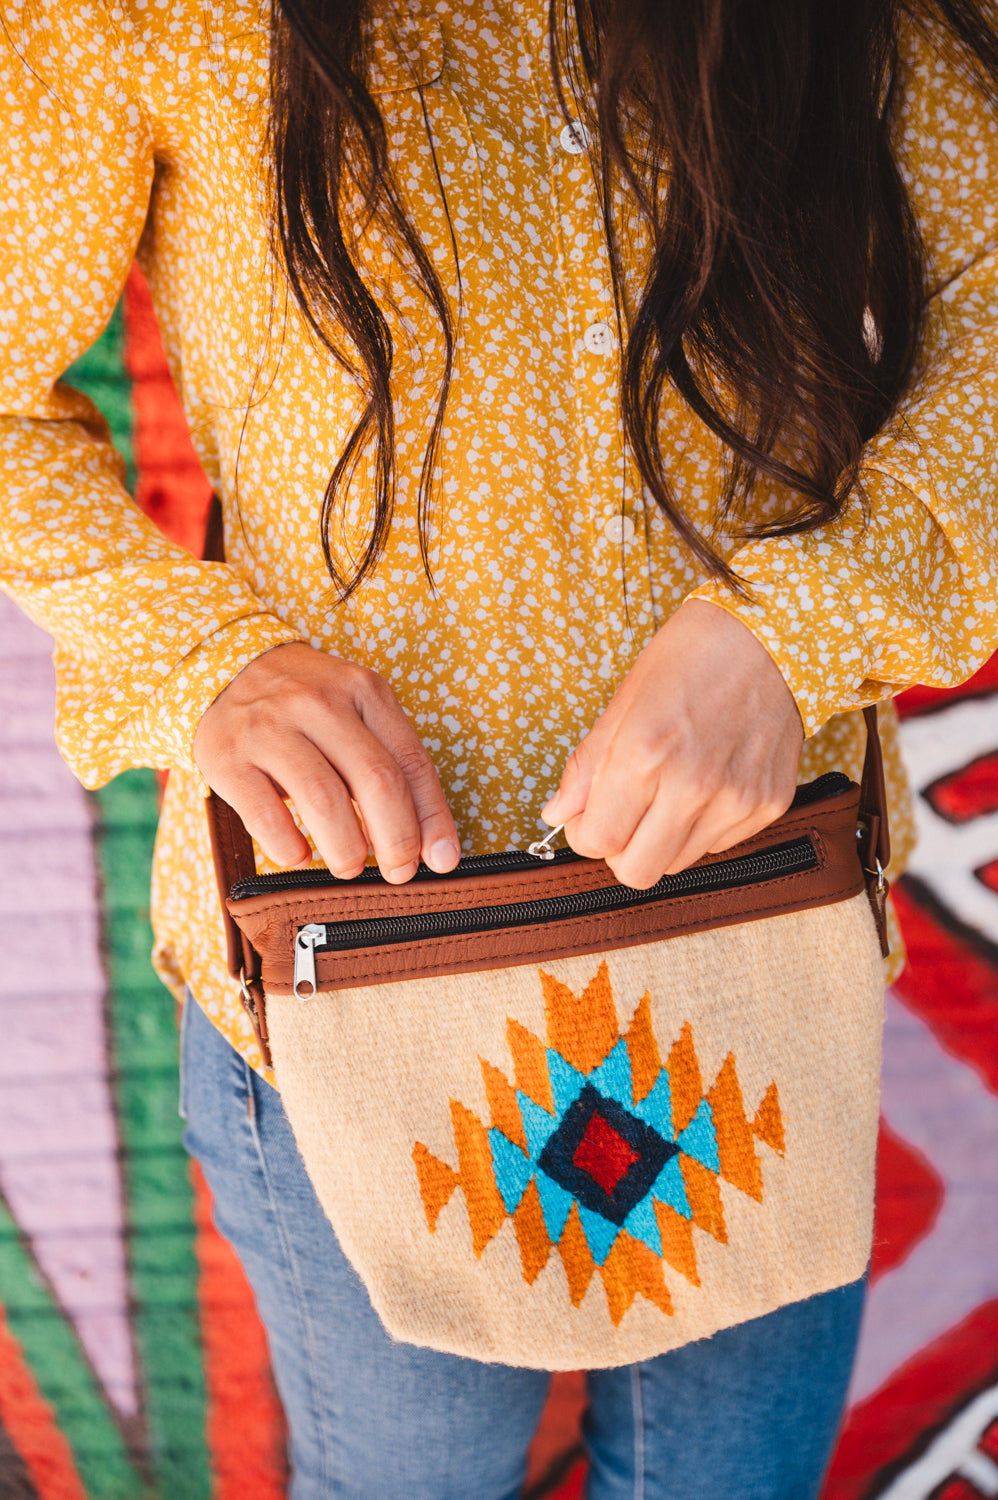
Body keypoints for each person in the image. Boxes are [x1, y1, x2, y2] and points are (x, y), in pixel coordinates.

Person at [3, 1, 998, 1494]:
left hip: (758, 956)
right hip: (355, 998)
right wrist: (202, 661)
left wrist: (800, 625)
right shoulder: (142, 13)